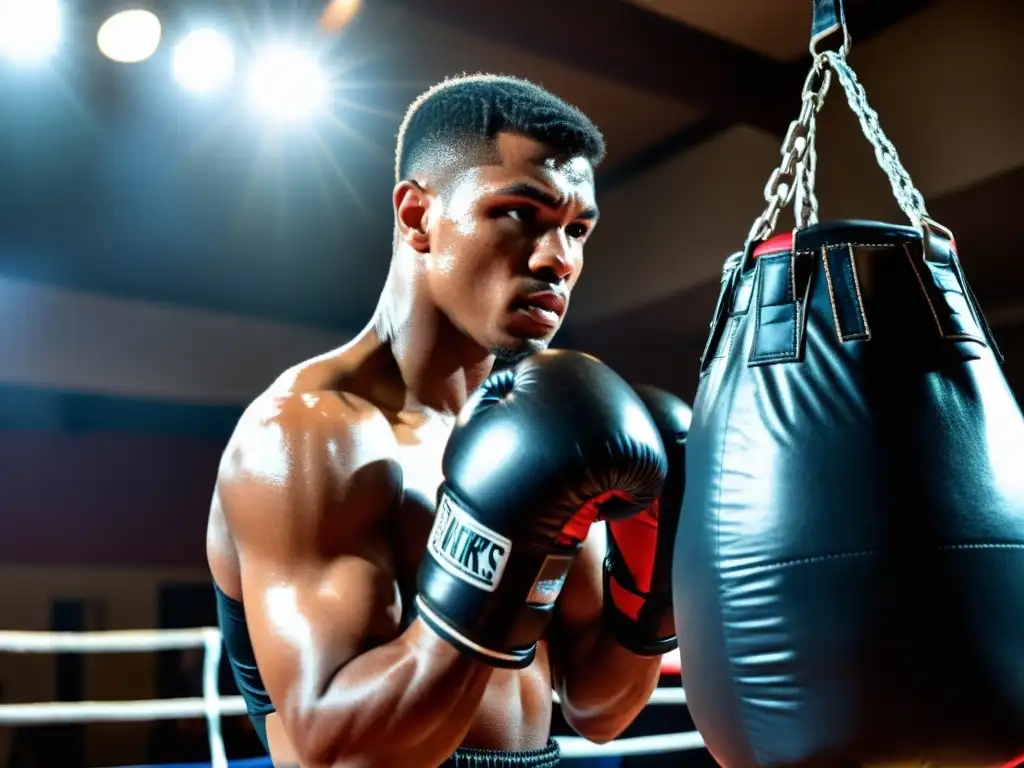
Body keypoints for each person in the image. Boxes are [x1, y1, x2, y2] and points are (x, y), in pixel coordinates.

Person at [207, 74, 683, 767]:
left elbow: (596, 708)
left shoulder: (539, 432)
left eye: (577, 229)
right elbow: (335, 751)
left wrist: (651, 588)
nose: (560, 260)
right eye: (522, 213)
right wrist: (493, 565)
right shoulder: (310, 435)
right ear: (417, 216)